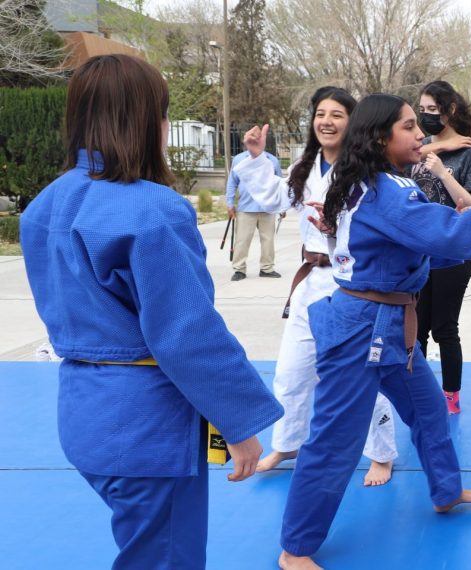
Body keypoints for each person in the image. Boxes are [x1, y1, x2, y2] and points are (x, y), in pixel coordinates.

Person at [277, 93, 471, 570]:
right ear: (378, 137)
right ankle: (295, 547)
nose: (420, 135)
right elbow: (447, 235)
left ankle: (445, 491)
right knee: (334, 439)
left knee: (430, 411)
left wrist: (457, 233)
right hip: (361, 331)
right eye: (409, 127)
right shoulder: (387, 192)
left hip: (389, 326)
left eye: (418, 126)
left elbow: (427, 243)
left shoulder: (371, 183)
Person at [20, 54, 284, 568]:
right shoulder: (152, 210)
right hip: (146, 426)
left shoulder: (43, 206)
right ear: (146, 122)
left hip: (83, 411)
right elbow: (187, 333)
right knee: (164, 558)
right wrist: (238, 423)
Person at [230, 87, 398, 486]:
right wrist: (256, 156)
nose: (326, 121)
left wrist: (334, 230)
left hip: (350, 285)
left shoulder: (365, 174)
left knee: (360, 374)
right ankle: (288, 442)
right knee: (291, 370)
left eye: (337, 114)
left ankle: (381, 454)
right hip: (310, 280)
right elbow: (271, 198)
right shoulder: (304, 167)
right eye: (320, 113)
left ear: (352, 122)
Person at [407, 80, 471, 414]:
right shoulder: (421, 145)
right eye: (422, 110)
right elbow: (389, 161)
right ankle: (418, 390)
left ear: (450, 110)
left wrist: (443, 167)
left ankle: (450, 395)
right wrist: (438, 147)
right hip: (416, 254)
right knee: (415, 330)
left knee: (444, 328)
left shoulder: (470, 153)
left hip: (453, 256)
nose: (426, 117)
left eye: (433, 110)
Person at [227, 145, 284, 281]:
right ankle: (239, 269)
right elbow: (232, 181)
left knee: (268, 240)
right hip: (245, 208)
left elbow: (279, 184)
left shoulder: (272, 160)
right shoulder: (239, 159)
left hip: (268, 207)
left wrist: (282, 206)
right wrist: (230, 203)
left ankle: (267, 268)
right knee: (242, 240)